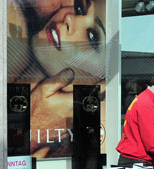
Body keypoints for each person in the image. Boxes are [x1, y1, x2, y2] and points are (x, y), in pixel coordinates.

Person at [7, 0, 107, 158]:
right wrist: (33, 129)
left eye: (91, 35)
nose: (69, 17)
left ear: (101, 85)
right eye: (80, 8)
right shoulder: (11, 40)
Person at [116, 69, 154, 166]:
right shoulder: (147, 104)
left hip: (134, 159)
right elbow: (153, 144)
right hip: (137, 161)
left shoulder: (145, 99)